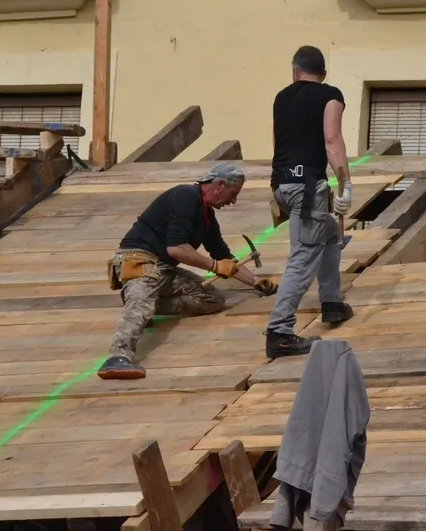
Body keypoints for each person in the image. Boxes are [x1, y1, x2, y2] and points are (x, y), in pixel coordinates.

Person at [98, 162, 279, 380]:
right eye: (233, 194)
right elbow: (176, 249)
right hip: (140, 260)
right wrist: (214, 267)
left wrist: (255, 281)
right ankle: (117, 358)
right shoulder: (186, 197)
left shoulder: (206, 215)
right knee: (139, 306)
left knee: (212, 299)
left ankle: (150, 303)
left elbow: (223, 256)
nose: (233, 201)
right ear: (220, 185)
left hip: (164, 269)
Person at [264, 45, 354, 359]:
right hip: (306, 188)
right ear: (323, 74)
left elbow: (279, 144)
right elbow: (332, 139)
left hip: (282, 186)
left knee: (329, 233)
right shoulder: (330, 95)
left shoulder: (281, 98)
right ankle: (279, 333)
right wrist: (345, 184)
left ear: (295, 71)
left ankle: (331, 303)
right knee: (302, 258)